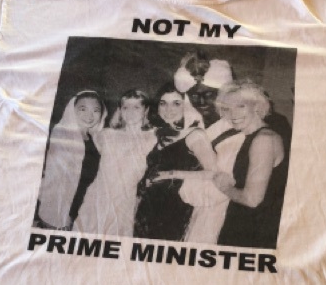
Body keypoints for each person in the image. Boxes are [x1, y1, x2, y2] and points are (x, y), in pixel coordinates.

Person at [212, 80, 291, 249]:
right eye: (226, 108)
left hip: (255, 229)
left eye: (240, 106)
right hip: (243, 222)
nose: (232, 114)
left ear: (256, 106)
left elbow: (252, 199)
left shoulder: (264, 139)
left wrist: (224, 187)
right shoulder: (247, 136)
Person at [133, 82, 217, 241]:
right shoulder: (161, 134)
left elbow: (213, 173)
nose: (168, 109)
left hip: (173, 211)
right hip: (147, 208)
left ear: (187, 106)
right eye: (163, 103)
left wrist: (170, 174)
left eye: (176, 103)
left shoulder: (195, 135)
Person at [74, 89, 156, 236]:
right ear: (120, 110)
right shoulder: (107, 134)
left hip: (126, 201)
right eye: (125, 107)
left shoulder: (152, 137)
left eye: (136, 107)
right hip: (98, 197)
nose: (130, 112)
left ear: (146, 110)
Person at [34, 89, 106, 230]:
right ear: (72, 110)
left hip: (82, 207)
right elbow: (56, 179)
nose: (90, 115)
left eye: (96, 110)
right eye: (83, 109)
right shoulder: (63, 133)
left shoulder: (94, 138)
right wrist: (62, 214)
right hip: (60, 209)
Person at [173, 50, 234, 131]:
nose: (202, 102)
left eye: (209, 94)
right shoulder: (182, 127)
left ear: (221, 93)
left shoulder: (235, 126)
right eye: (194, 96)